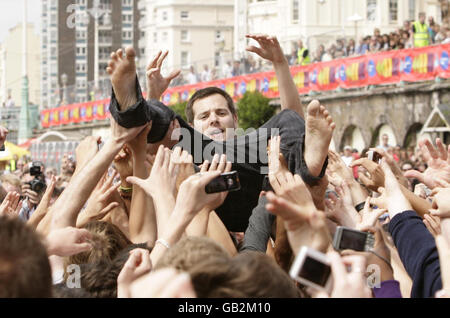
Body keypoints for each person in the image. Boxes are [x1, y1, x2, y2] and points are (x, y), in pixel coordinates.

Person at [105, 37, 334, 233]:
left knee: (288, 120)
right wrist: (154, 96)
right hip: (208, 199)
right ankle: (131, 107)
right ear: (192, 126)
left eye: (221, 113)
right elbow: (155, 144)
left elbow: (294, 127)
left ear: (235, 120)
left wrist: (280, 63)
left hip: (263, 189)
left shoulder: (255, 146)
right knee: (167, 126)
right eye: (204, 117)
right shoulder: (184, 153)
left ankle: (308, 168)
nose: (213, 118)